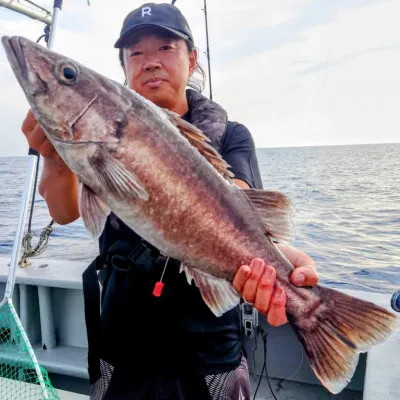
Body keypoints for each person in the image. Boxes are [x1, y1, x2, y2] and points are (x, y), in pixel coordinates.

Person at [21, 3, 318, 399]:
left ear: (192, 58)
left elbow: (242, 203)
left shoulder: (230, 135)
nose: (150, 62)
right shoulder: (98, 132)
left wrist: (275, 257)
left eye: (165, 48)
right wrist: (56, 155)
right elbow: (64, 211)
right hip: (123, 343)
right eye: (136, 53)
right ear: (124, 66)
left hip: (209, 351)